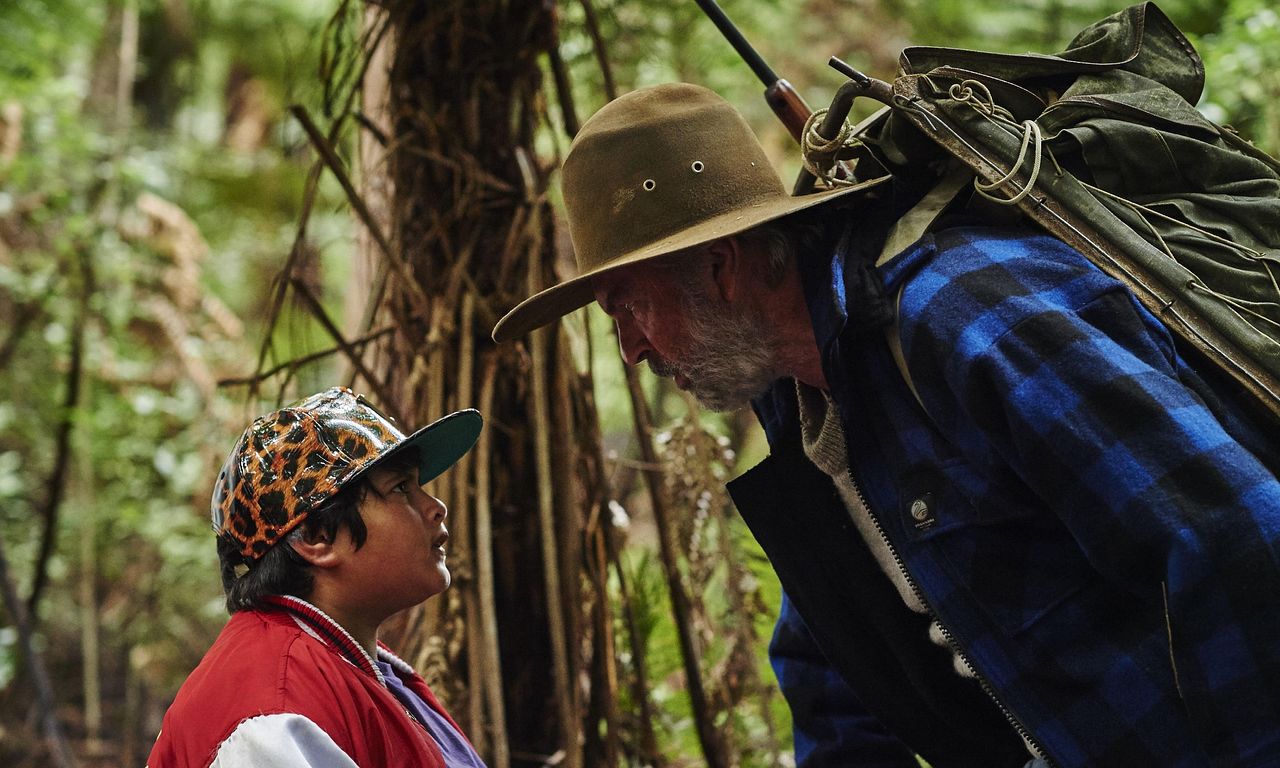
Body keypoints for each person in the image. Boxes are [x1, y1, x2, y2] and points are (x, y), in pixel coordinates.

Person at [491, 82, 1280, 767]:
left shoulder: (965, 315)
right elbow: (837, 660)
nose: (630, 347)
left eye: (628, 305)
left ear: (721, 267)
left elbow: (1234, 536)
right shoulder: (800, 395)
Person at [147, 386, 487, 768]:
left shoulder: (357, 666)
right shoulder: (273, 714)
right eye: (401, 488)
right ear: (317, 538)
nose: (436, 507)